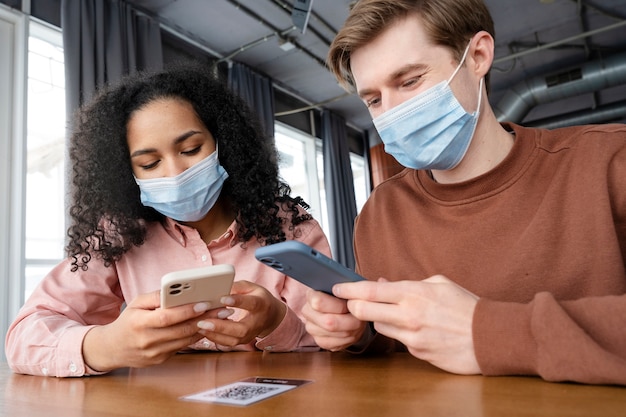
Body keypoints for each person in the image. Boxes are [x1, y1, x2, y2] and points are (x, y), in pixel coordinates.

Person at [302, 0, 626, 385]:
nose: (390, 113)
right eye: (373, 100)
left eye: (409, 81)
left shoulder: (610, 162)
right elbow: (394, 349)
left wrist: (486, 331)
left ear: (477, 56)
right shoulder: (380, 212)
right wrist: (358, 334)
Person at [5, 62, 331, 377]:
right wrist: (106, 345)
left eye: (190, 149)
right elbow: (24, 337)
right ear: (125, 173)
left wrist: (275, 321)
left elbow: (338, 338)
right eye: (149, 164)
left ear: (223, 143)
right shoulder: (117, 235)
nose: (175, 174)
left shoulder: (290, 225)